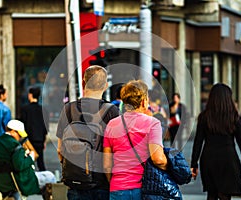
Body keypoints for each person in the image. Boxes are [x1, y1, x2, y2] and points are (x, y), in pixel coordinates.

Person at [56, 65, 119, 200]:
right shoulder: (112, 111)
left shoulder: (68, 109)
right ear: (106, 85)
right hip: (102, 183)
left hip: (75, 182)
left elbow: (60, 150)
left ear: (84, 82)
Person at [103, 80, 168, 200]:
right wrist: (168, 166)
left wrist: (114, 182)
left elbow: (107, 165)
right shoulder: (153, 123)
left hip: (118, 188)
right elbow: (158, 159)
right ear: (143, 101)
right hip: (144, 188)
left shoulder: (111, 125)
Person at [191, 83, 241, 200]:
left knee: (211, 194)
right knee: (225, 195)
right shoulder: (233, 116)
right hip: (228, 158)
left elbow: (198, 142)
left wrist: (194, 164)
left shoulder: (204, 116)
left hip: (208, 158)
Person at [0, 119, 41, 199]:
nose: (19, 138)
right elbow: (19, 165)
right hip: (11, 182)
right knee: (49, 177)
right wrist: (30, 158)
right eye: (19, 135)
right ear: (13, 131)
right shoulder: (14, 144)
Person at [20, 87, 49, 171]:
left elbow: (22, 125)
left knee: (28, 162)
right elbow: (46, 127)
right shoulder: (43, 110)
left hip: (28, 140)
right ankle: (44, 179)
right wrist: (44, 140)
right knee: (41, 163)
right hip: (39, 139)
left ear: (30, 95)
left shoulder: (25, 109)